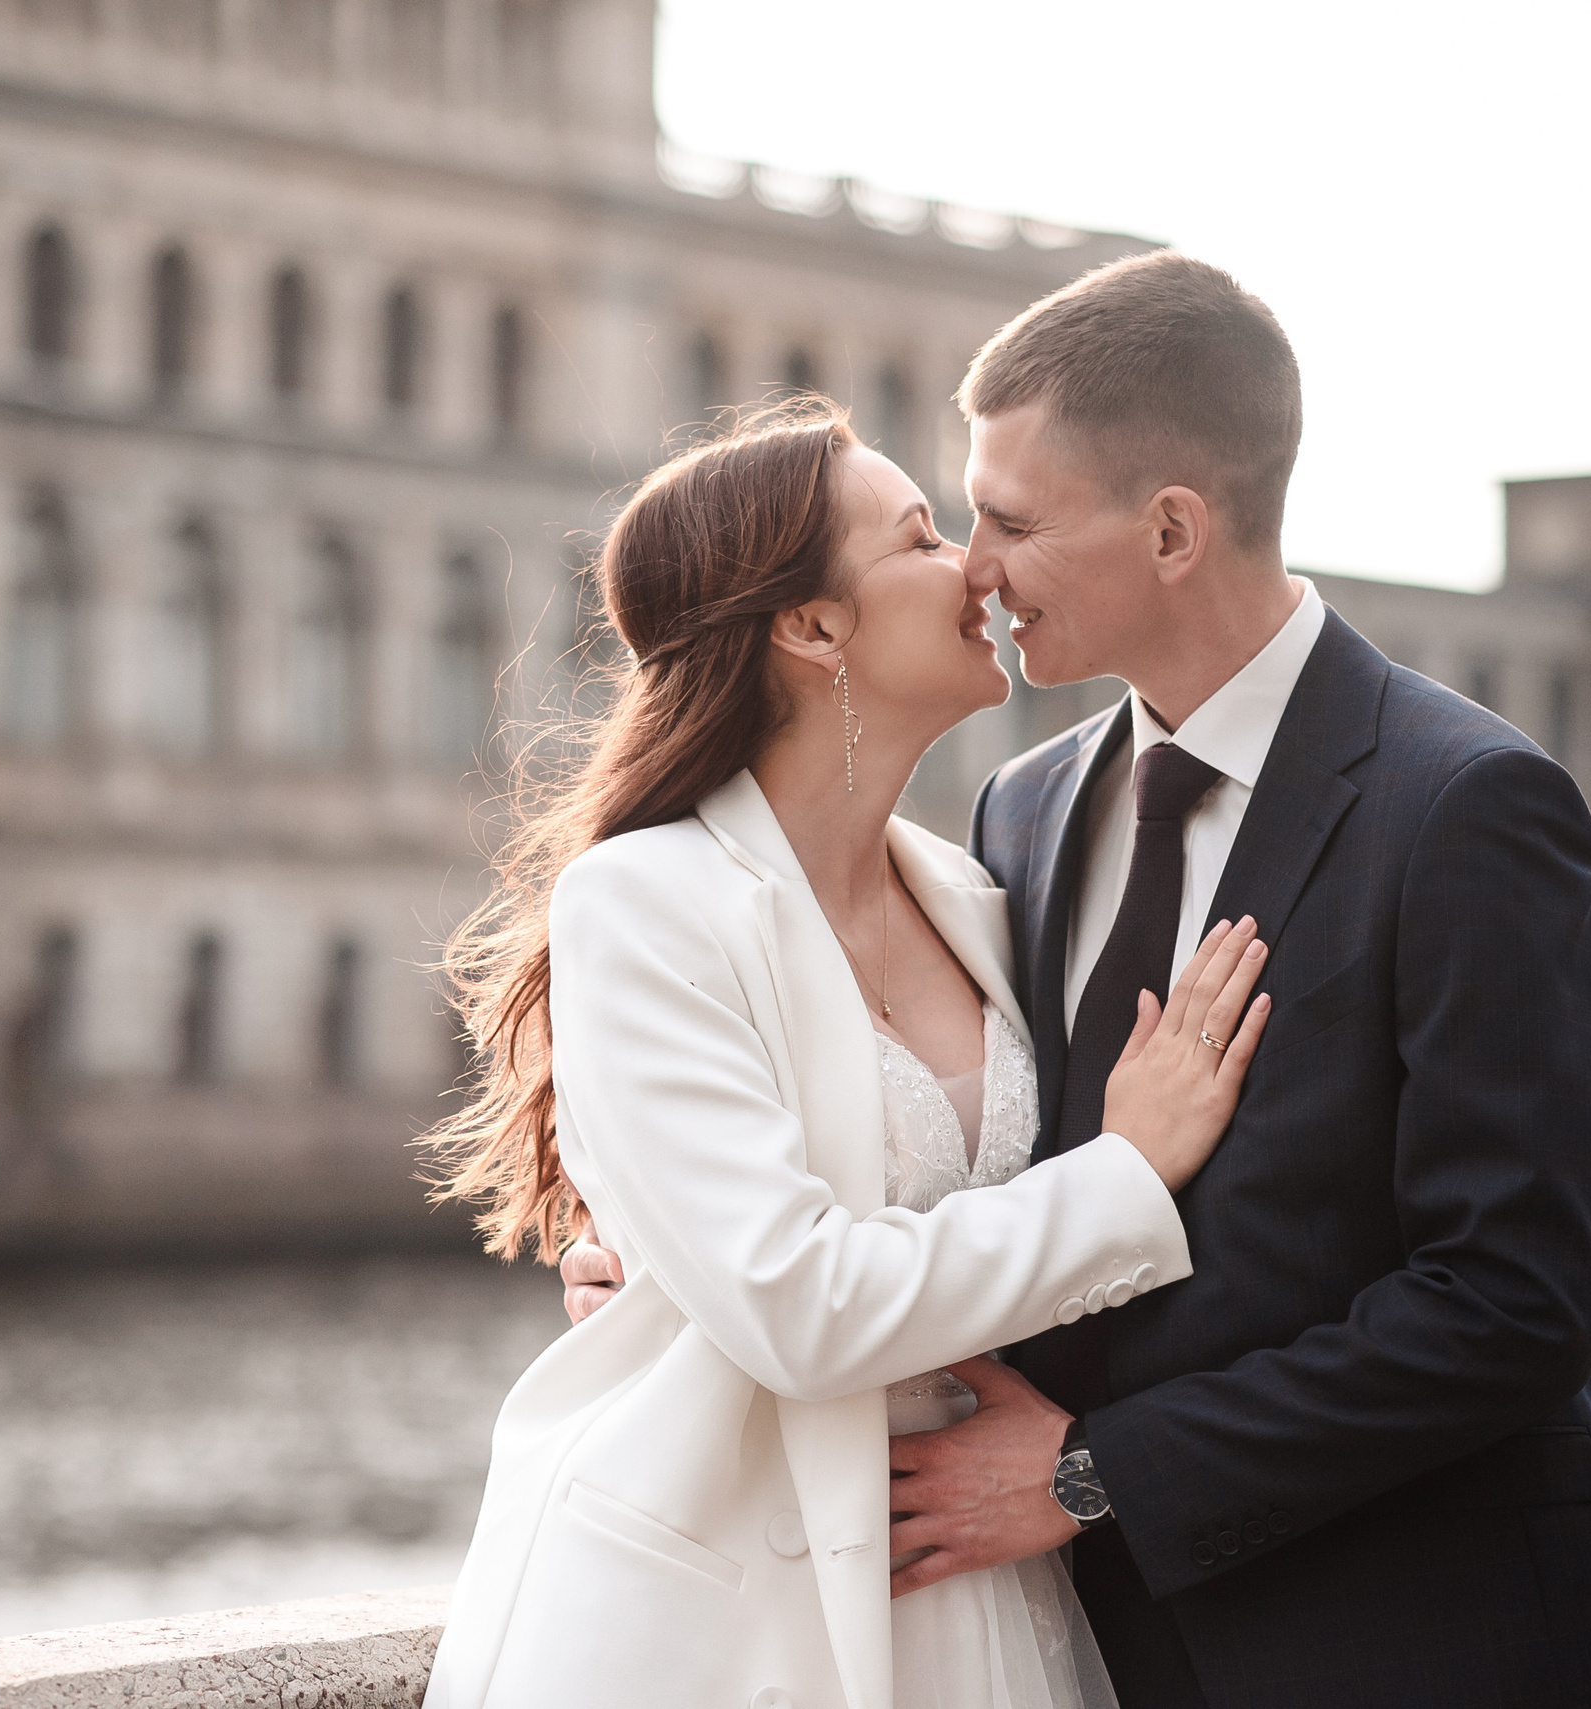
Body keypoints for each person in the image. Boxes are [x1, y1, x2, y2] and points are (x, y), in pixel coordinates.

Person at [565, 253, 1591, 1709]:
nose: (976, 567)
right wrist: (683, 1283)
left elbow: (1510, 1303)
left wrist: (1091, 1474)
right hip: (1107, 1650)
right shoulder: (1024, 818)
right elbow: (955, 1183)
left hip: (1428, 1642)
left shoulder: (1469, 805)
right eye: (948, 524)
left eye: (1005, 520)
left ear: (1173, 529)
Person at [420, 400, 1274, 1709]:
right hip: (725, 1627)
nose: (978, 566)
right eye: (924, 535)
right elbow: (798, 1305)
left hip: (980, 1586)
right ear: (813, 625)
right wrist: (1125, 1169)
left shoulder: (983, 895)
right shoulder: (642, 902)